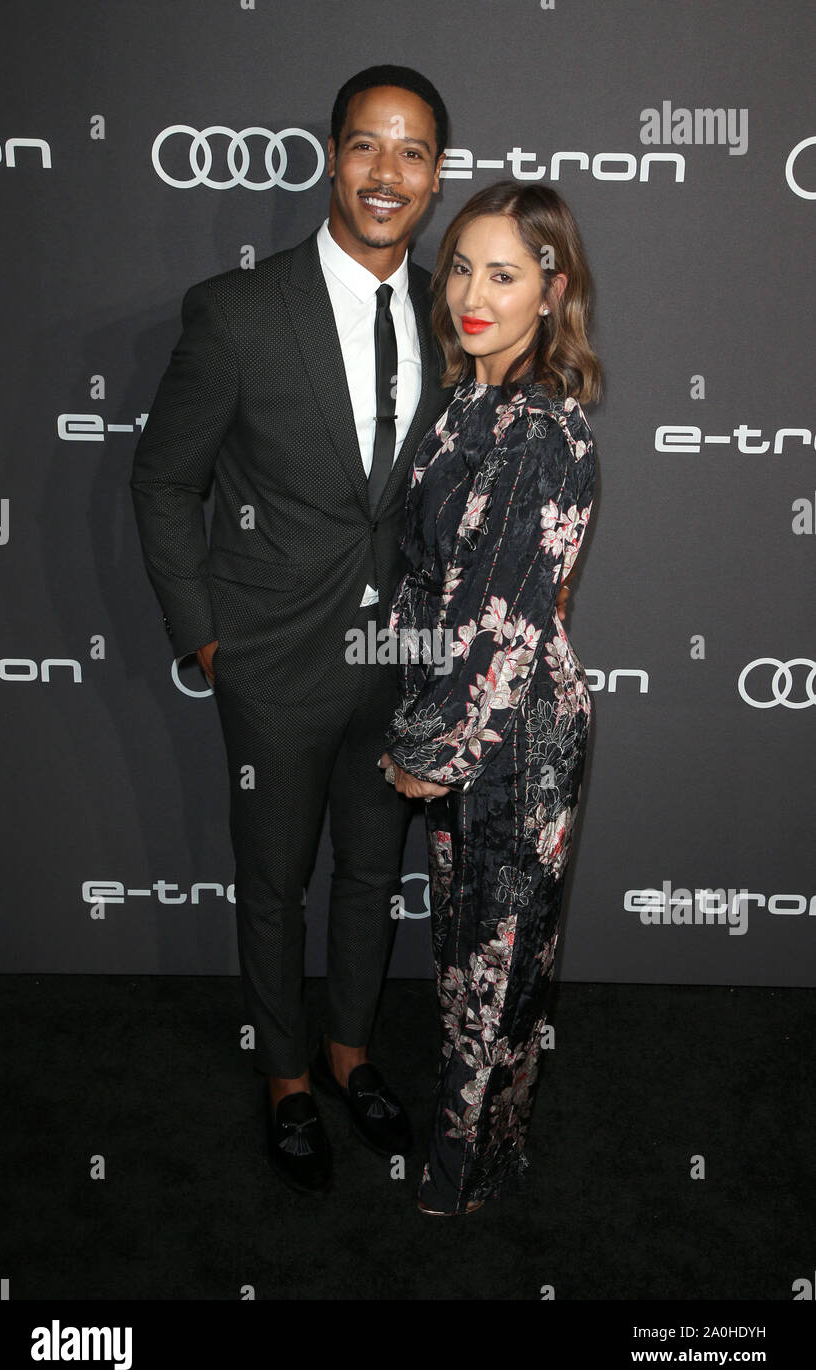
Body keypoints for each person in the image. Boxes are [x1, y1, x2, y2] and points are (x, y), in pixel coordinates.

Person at [130, 65, 458, 1196]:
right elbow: (164, 482)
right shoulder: (236, 312)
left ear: (434, 177)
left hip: (395, 658)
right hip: (272, 660)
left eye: (411, 152)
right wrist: (211, 642)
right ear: (332, 158)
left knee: (372, 869)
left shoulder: (445, 313)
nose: (386, 172)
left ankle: (350, 1050)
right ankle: (281, 1075)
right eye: (367, 146)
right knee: (274, 882)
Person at [379, 180, 602, 1215]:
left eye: (503, 273)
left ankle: (468, 1171)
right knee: (469, 954)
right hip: (469, 708)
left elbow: (502, 618)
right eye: (461, 265)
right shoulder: (469, 399)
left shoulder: (539, 428)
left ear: (550, 292)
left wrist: (430, 742)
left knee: (497, 958)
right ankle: (479, 1142)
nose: (471, 292)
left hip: (511, 730)